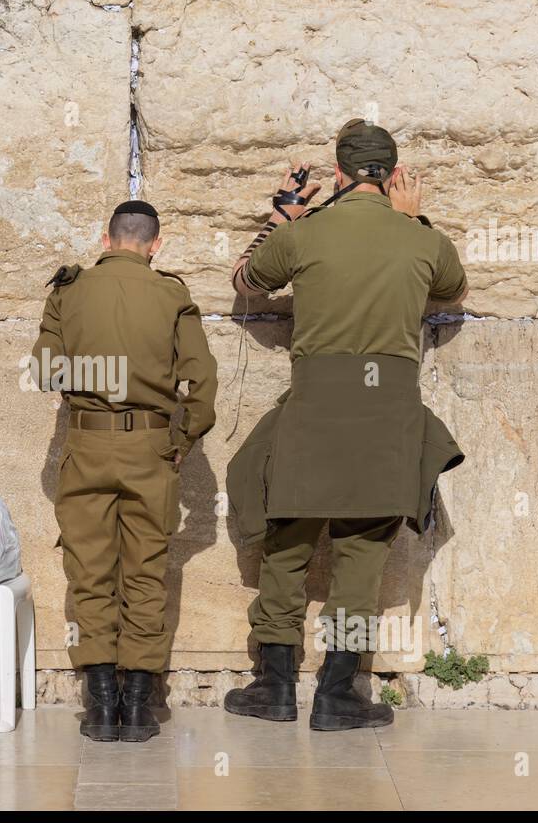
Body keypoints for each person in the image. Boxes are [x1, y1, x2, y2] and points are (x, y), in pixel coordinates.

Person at [224, 119, 466, 731]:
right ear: (393, 176)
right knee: (362, 558)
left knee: (286, 547)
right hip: (387, 417)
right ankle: (338, 693)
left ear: (338, 172)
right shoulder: (420, 240)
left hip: (314, 413)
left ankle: (274, 688)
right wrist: (414, 222)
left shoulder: (306, 233)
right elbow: (453, 291)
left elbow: (246, 283)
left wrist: (284, 215)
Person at [32, 200, 218, 742]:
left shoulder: (69, 290)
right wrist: (180, 440)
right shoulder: (172, 295)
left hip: (87, 444)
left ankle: (98, 707)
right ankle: (137, 707)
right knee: (146, 572)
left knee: (89, 575)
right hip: (150, 449)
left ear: (107, 238)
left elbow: (45, 372)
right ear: (155, 245)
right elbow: (202, 388)